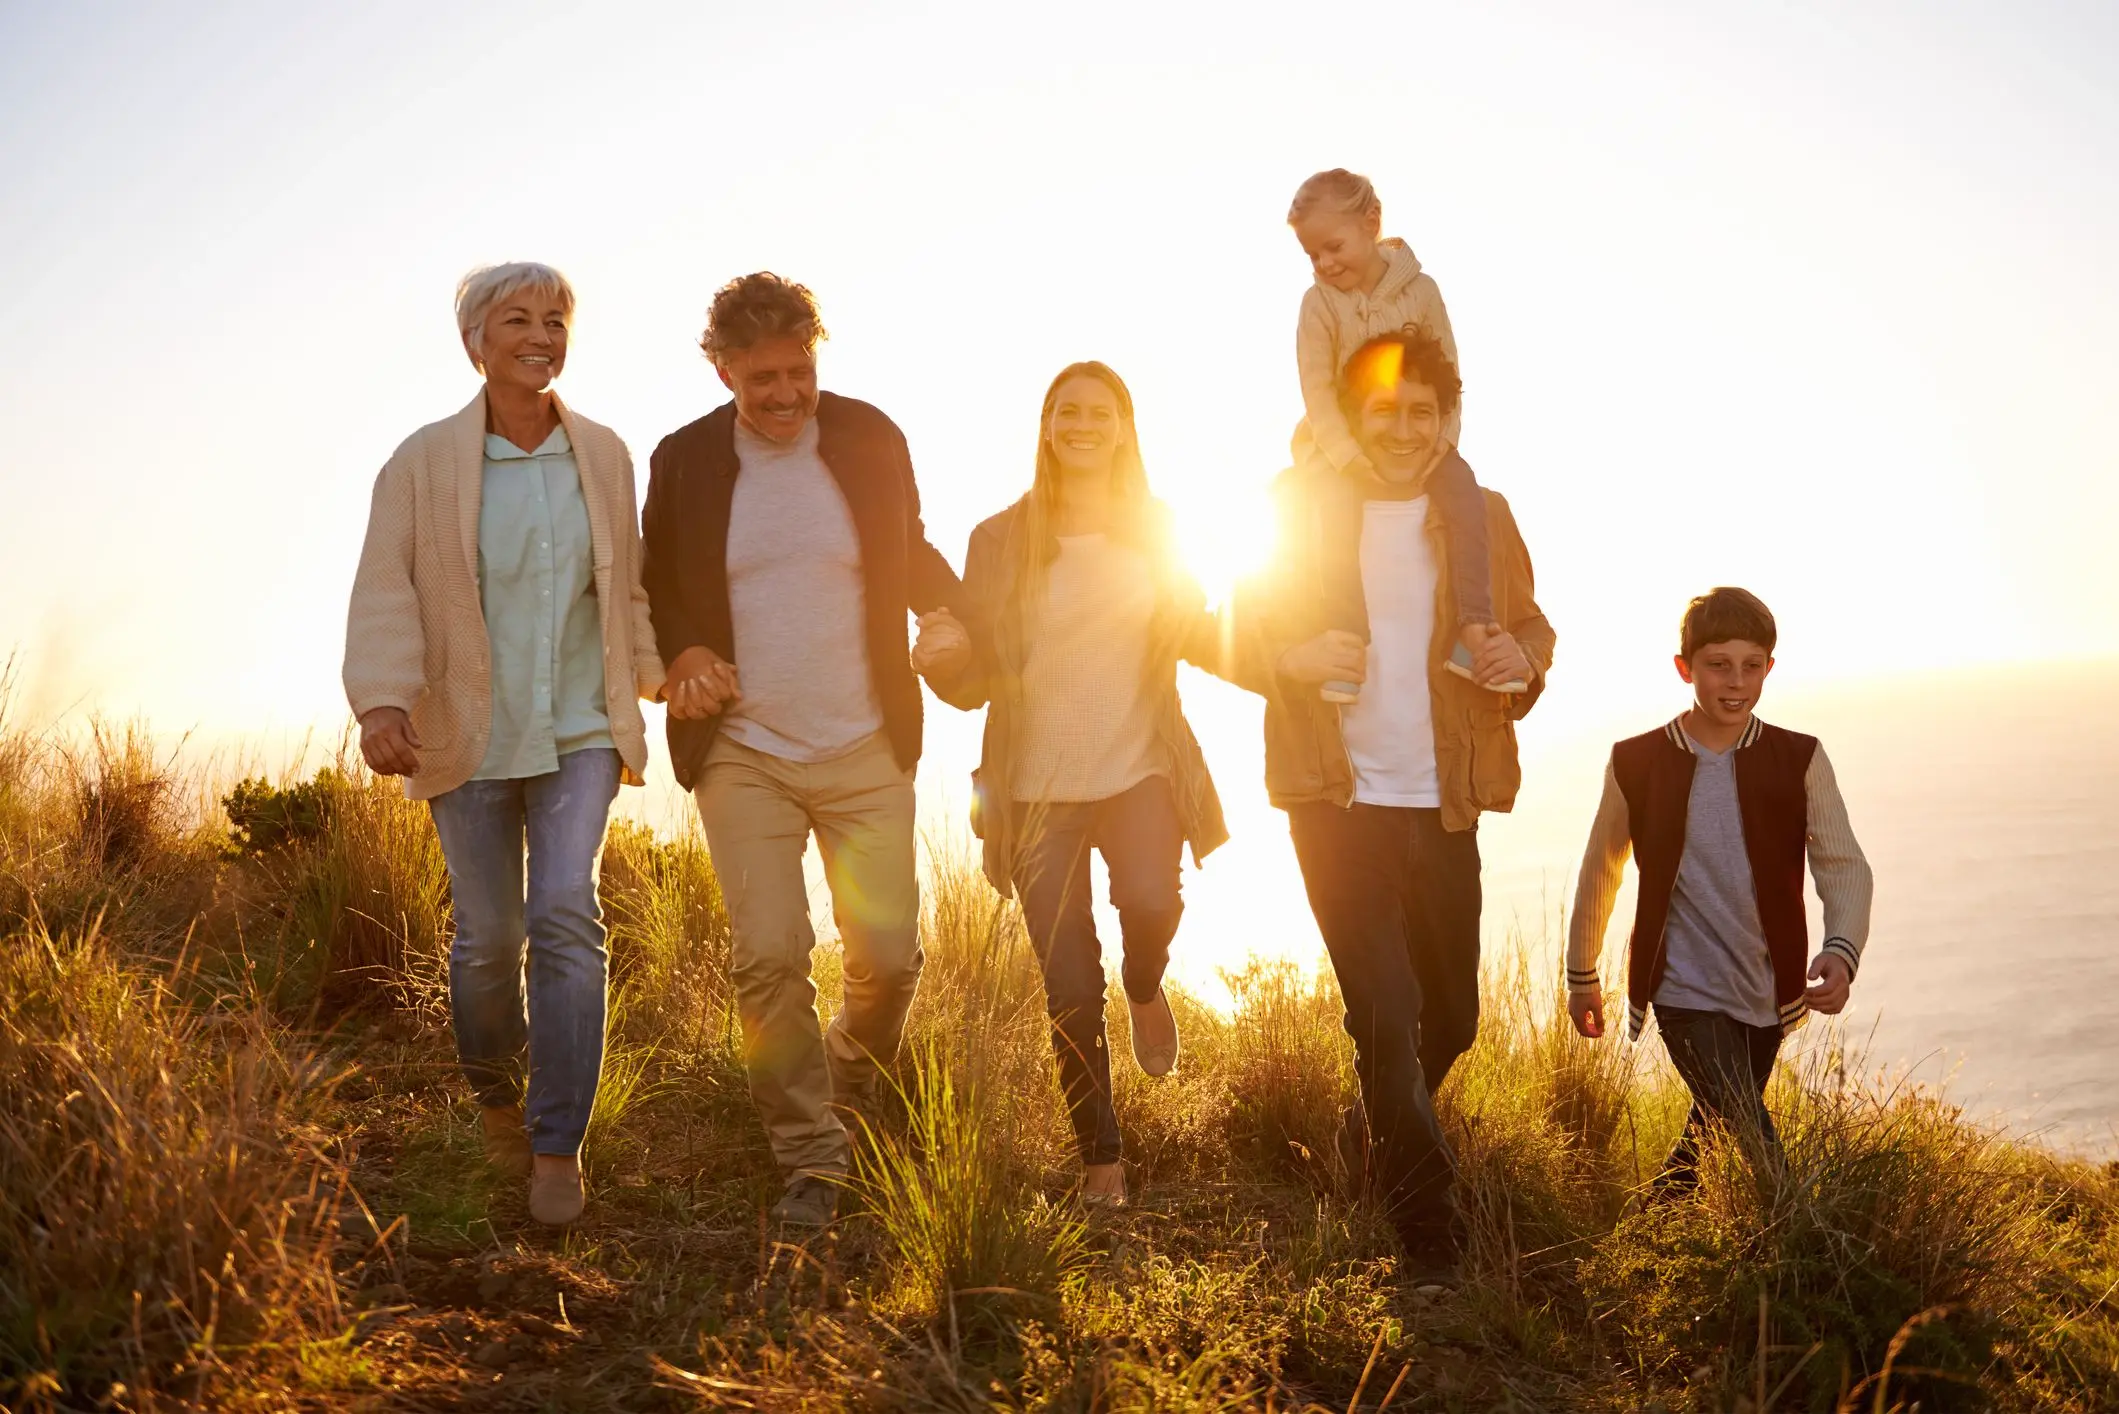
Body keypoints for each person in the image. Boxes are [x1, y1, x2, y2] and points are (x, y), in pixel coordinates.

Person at [640, 272, 966, 1230]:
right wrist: (683, 654)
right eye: (761, 378)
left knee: (890, 958)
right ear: (722, 368)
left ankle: (848, 1074)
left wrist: (956, 620)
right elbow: (656, 589)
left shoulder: (869, 437)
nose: (784, 395)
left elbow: (910, 551)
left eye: (799, 371)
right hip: (745, 749)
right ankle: (811, 1154)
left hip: (867, 740)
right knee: (770, 956)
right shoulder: (686, 461)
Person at [344, 261, 665, 1227]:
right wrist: (382, 703)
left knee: (566, 914)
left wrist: (654, 676)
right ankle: (497, 1100)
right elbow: (387, 587)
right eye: (517, 319)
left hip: (579, 729)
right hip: (467, 733)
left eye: (556, 319)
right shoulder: (423, 462)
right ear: (474, 343)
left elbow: (628, 590)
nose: (541, 334)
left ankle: (556, 1143)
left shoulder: (603, 455)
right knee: (489, 940)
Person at [1231, 327, 1555, 1279]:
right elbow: (1220, 629)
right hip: (1334, 802)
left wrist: (1522, 661)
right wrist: (1286, 658)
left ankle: (1368, 1120)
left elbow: (1531, 626)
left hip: (1442, 802)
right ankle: (1426, 1230)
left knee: (1449, 1015)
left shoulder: (1481, 515)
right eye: (1385, 412)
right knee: (1384, 1008)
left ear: (1447, 419)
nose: (1405, 429)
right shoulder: (1300, 512)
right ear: (1353, 418)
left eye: (1423, 412)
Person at [922, 362, 1229, 1210]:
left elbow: (1199, 631)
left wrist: (1287, 660)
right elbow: (975, 674)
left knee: (1151, 904)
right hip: (1033, 787)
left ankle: (1143, 984)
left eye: (1099, 411)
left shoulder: (1158, 529)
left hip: (1139, 769)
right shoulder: (998, 538)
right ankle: (1102, 1161)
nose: (1082, 422)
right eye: (1067, 410)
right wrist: (944, 665)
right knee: (1064, 979)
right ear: (1047, 426)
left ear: (1124, 429)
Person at [1565, 588, 1874, 1192]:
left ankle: (1645, 1249)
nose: (1736, 681)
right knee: (1756, 1140)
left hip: (1766, 989)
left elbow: (1843, 864)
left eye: (1751, 665)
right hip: (1681, 987)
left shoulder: (1800, 757)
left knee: (1707, 1135)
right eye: (1717, 664)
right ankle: (1800, 1244)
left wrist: (1841, 950)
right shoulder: (1636, 761)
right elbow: (1601, 868)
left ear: (1769, 668)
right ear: (1686, 668)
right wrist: (1583, 975)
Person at [1286, 168, 1515, 697]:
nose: (1324, 263)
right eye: (1312, 255)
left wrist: (1444, 442)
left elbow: (1449, 371)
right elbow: (1316, 389)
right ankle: (1348, 640)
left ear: (1371, 223)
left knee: (1464, 497)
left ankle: (1473, 629)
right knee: (1334, 511)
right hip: (1336, 443)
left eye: (1334, 246)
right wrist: (1344, 455)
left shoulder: (1421, 291)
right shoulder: (1317, 304)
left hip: (1416, 439)